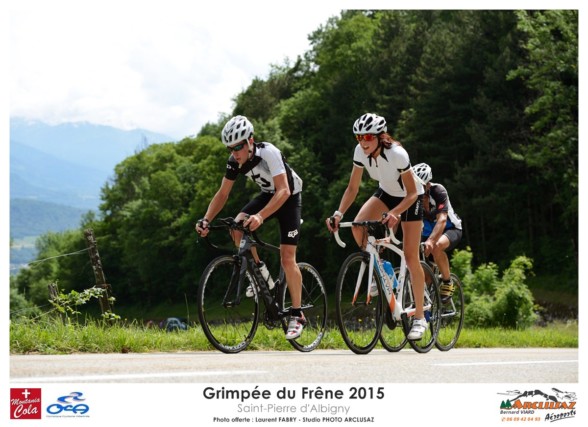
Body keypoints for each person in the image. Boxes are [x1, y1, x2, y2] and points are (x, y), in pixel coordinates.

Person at [195, 115, 306, 340]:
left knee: (287, 258)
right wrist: (206, 219)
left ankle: (297, 313)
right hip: (268, 195)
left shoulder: (269, 153)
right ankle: (260, 275)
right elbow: (223, 193)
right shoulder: (234, 161)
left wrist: (261, 216)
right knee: (236, 227)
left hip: (289, 198)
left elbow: (283, 190)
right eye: (230, 147)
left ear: (250, 142)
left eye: (238, 147)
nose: (234, 152)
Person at [326, 113, 428, 340]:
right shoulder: (359, 153)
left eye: (368, 137)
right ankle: (381, 269)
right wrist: (338, 213)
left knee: (411, 257)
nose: (363, 142)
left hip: (410, 199)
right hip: (387, 193)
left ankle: (420, 318)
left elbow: (411, 193)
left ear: (380, 137)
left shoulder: (397, 154)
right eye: (359, 137)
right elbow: (352, 188)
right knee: (358, 227)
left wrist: (395, 213)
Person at [412, 163, 463, 303]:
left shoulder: (438, 191)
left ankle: (447, 281)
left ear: (428, 185)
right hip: (428, 232)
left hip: (450, 228)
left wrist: (431, 241)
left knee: (436, 247)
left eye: (421, 186)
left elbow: (442, 220)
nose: (418, 189)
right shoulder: (412, 196)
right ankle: (425, 311)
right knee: (420, 269)